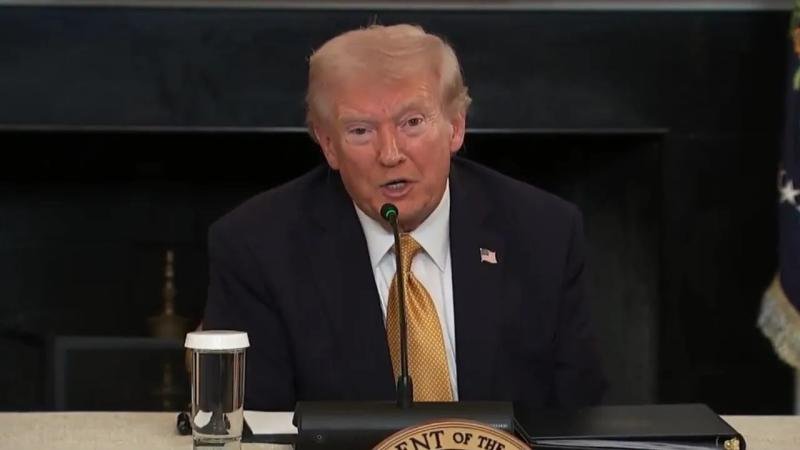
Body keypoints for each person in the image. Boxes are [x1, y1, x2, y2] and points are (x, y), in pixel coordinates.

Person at [203, 24, 605, 411]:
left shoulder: (543, 233)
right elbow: (257, 431)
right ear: (329, 146)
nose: (390, 154)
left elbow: (579, 419)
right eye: (361, 131)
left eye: (412, 123)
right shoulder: (257, 248)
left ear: (455, 128)